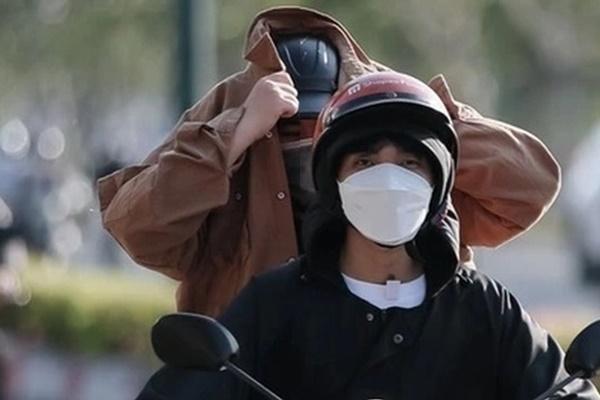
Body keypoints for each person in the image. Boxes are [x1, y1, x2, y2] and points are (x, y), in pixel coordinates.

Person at [136, 71, 598, 400]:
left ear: (437, 186)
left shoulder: (484, 309)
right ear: (333, 183)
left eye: (410, 163)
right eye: (365, 163)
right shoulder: (274, 305)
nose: (389, 179)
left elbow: (565, 392)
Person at [98, 6, 560, 316]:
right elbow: (136, 227)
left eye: (326, 130)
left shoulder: (484, 311)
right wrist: (233, 136)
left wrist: (418, 121)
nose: (308, 142)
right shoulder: (231, 110)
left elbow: (531, 185)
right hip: (252, 377)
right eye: (292, 131)